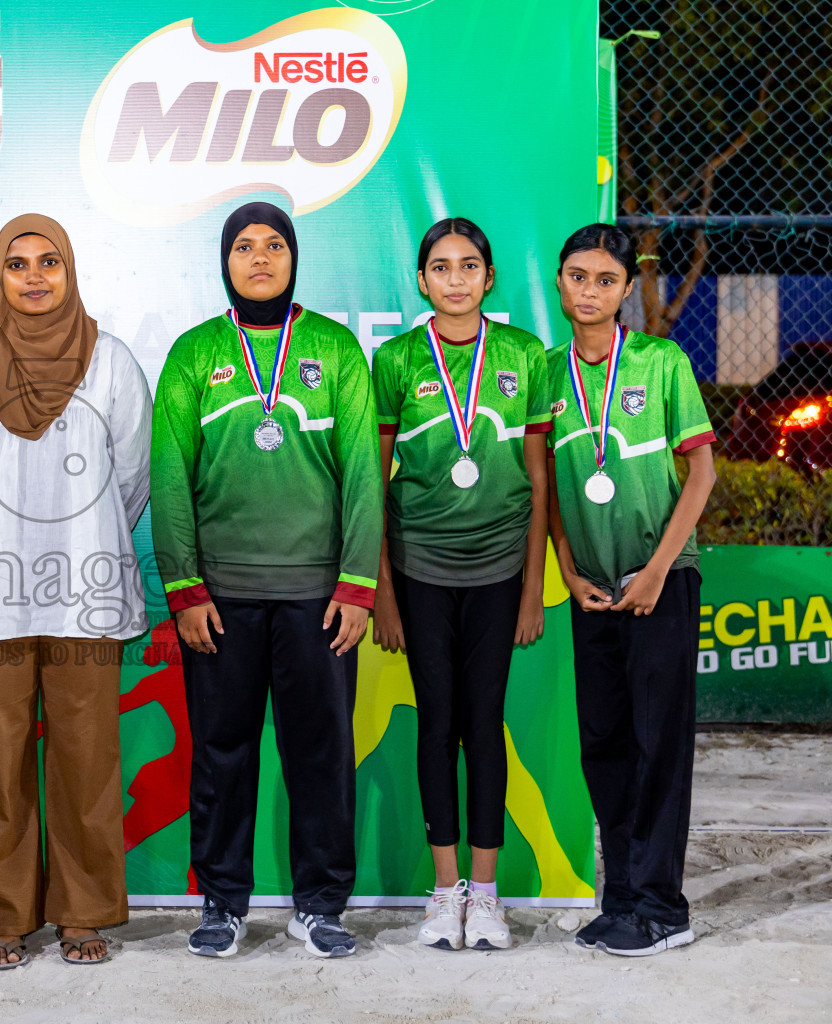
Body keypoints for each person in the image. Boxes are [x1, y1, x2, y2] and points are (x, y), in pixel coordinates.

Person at [150, 201, 383, 959]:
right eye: (244, 246)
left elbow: (363, 477)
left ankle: (322, 905)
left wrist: (355, 586)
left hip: (318, 598)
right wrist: (184, 590)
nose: (259, 258)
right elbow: (168, 482)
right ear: (225, 261)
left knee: (321, 752)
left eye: (273, 245)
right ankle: (222, 903)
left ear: (293, 257)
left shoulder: (335, 349)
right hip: (220, 601)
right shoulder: (193, 355)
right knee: (223, 752)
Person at [0, 213, 152, 968]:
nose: (33, 277)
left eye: (48, 262)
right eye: (16, 264)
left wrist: (86, 545)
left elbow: (132, 480)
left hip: (83, 593)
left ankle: (83, 913)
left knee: (87, 761)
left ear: (70, 271)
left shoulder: (112, 362)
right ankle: (2, 916)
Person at [370, 218, 552, 952]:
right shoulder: (394, 360)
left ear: (489, 276)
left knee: (485, 723)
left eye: (469, 265)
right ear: (422, 281)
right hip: (420, 568)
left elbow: (540, 477)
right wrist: (382, 590)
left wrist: (534, 587)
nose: (455, 279)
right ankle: (444, 894)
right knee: (437, 723)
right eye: (440, 267)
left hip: (502, 566)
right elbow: (374, 482)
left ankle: (489, 893)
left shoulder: (524, 355)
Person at [545, 224, 716, 957]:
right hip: (593, 591)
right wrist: (566, 567)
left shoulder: (661, 361)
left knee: (659, 746)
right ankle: (621, 897)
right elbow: (545, 488)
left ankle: (664, 907)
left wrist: (655, 572)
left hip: (660, 582)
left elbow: (702, 474)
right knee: (604, 745)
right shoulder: (545, 373)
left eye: (605, 280)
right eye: (578, 277)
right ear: (560, 283)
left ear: (624, 288)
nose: (590, 291)